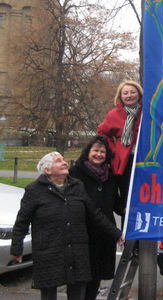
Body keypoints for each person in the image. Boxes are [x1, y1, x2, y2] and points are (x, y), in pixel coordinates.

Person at [11, 152, 124, 300]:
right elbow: (22, 221)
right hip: (49, 251)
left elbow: (94, 214)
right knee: (49, 293)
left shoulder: (77, 186)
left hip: (77, 250)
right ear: (47, 171)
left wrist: (116, 233)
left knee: (77, 291)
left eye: (63, 160)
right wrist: (16, 247)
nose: (64, 162)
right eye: (58, 161)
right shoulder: (34, 190)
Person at [69, 136, 121, 300]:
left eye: (102, 151)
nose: (99, 154)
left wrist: (128, 209)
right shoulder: (75, 173)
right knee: (80, 279)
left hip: (103, 236)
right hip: (83, 234)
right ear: (88, 152)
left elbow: (114, 201)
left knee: (95, 278)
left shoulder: (110, 175)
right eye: (95, 151)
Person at [97, 80, 142, 223]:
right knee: (127, 200)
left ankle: (144, 241)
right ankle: (127, 238)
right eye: (125, 93)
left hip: (144, 159)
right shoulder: (114, 115)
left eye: (133, 92)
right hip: (124, 162)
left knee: (143, 197)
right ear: (120, 96)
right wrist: (114, 151)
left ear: (139, 94)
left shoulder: (147, 112)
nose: (129, 95)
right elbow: (102, 133)